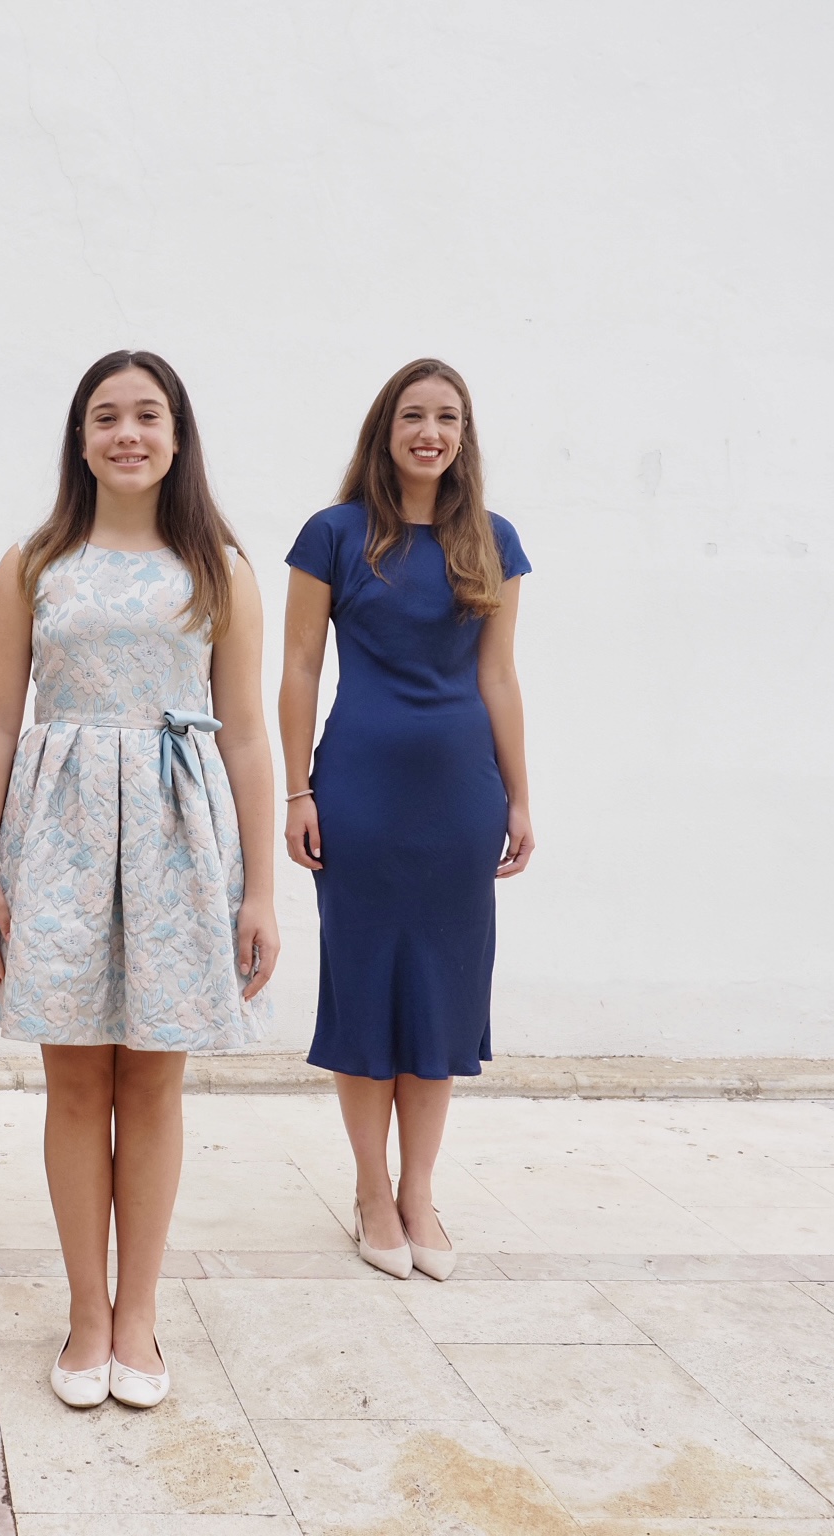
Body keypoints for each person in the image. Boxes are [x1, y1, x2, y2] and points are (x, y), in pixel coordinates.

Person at [0, 351, 278, 1410]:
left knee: (152, 1082)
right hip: (59, 836)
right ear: (80, 438)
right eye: (106, 417)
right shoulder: (35, 563)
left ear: (177, 437)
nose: (126, 434)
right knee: (75, 1081)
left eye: (146, 416)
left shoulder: (220, 568)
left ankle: (137, 1314)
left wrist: (259, 891)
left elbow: (246, 737)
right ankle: (85, 1314)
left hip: (178, 839)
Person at [278, 358, 533, 1283]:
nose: (431, 433)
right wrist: (297, 792)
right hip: (360, 792)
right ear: (385, 430)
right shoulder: (334, 534)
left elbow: (498, 674)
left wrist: (519, 795)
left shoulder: (493, 540)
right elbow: (299, 667)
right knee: (365, 989)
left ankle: (419, 1191)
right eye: (414, 416)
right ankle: (370, 1190)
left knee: (443, 995)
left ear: (464, 435)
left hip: (460, 795)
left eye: (448, 418)